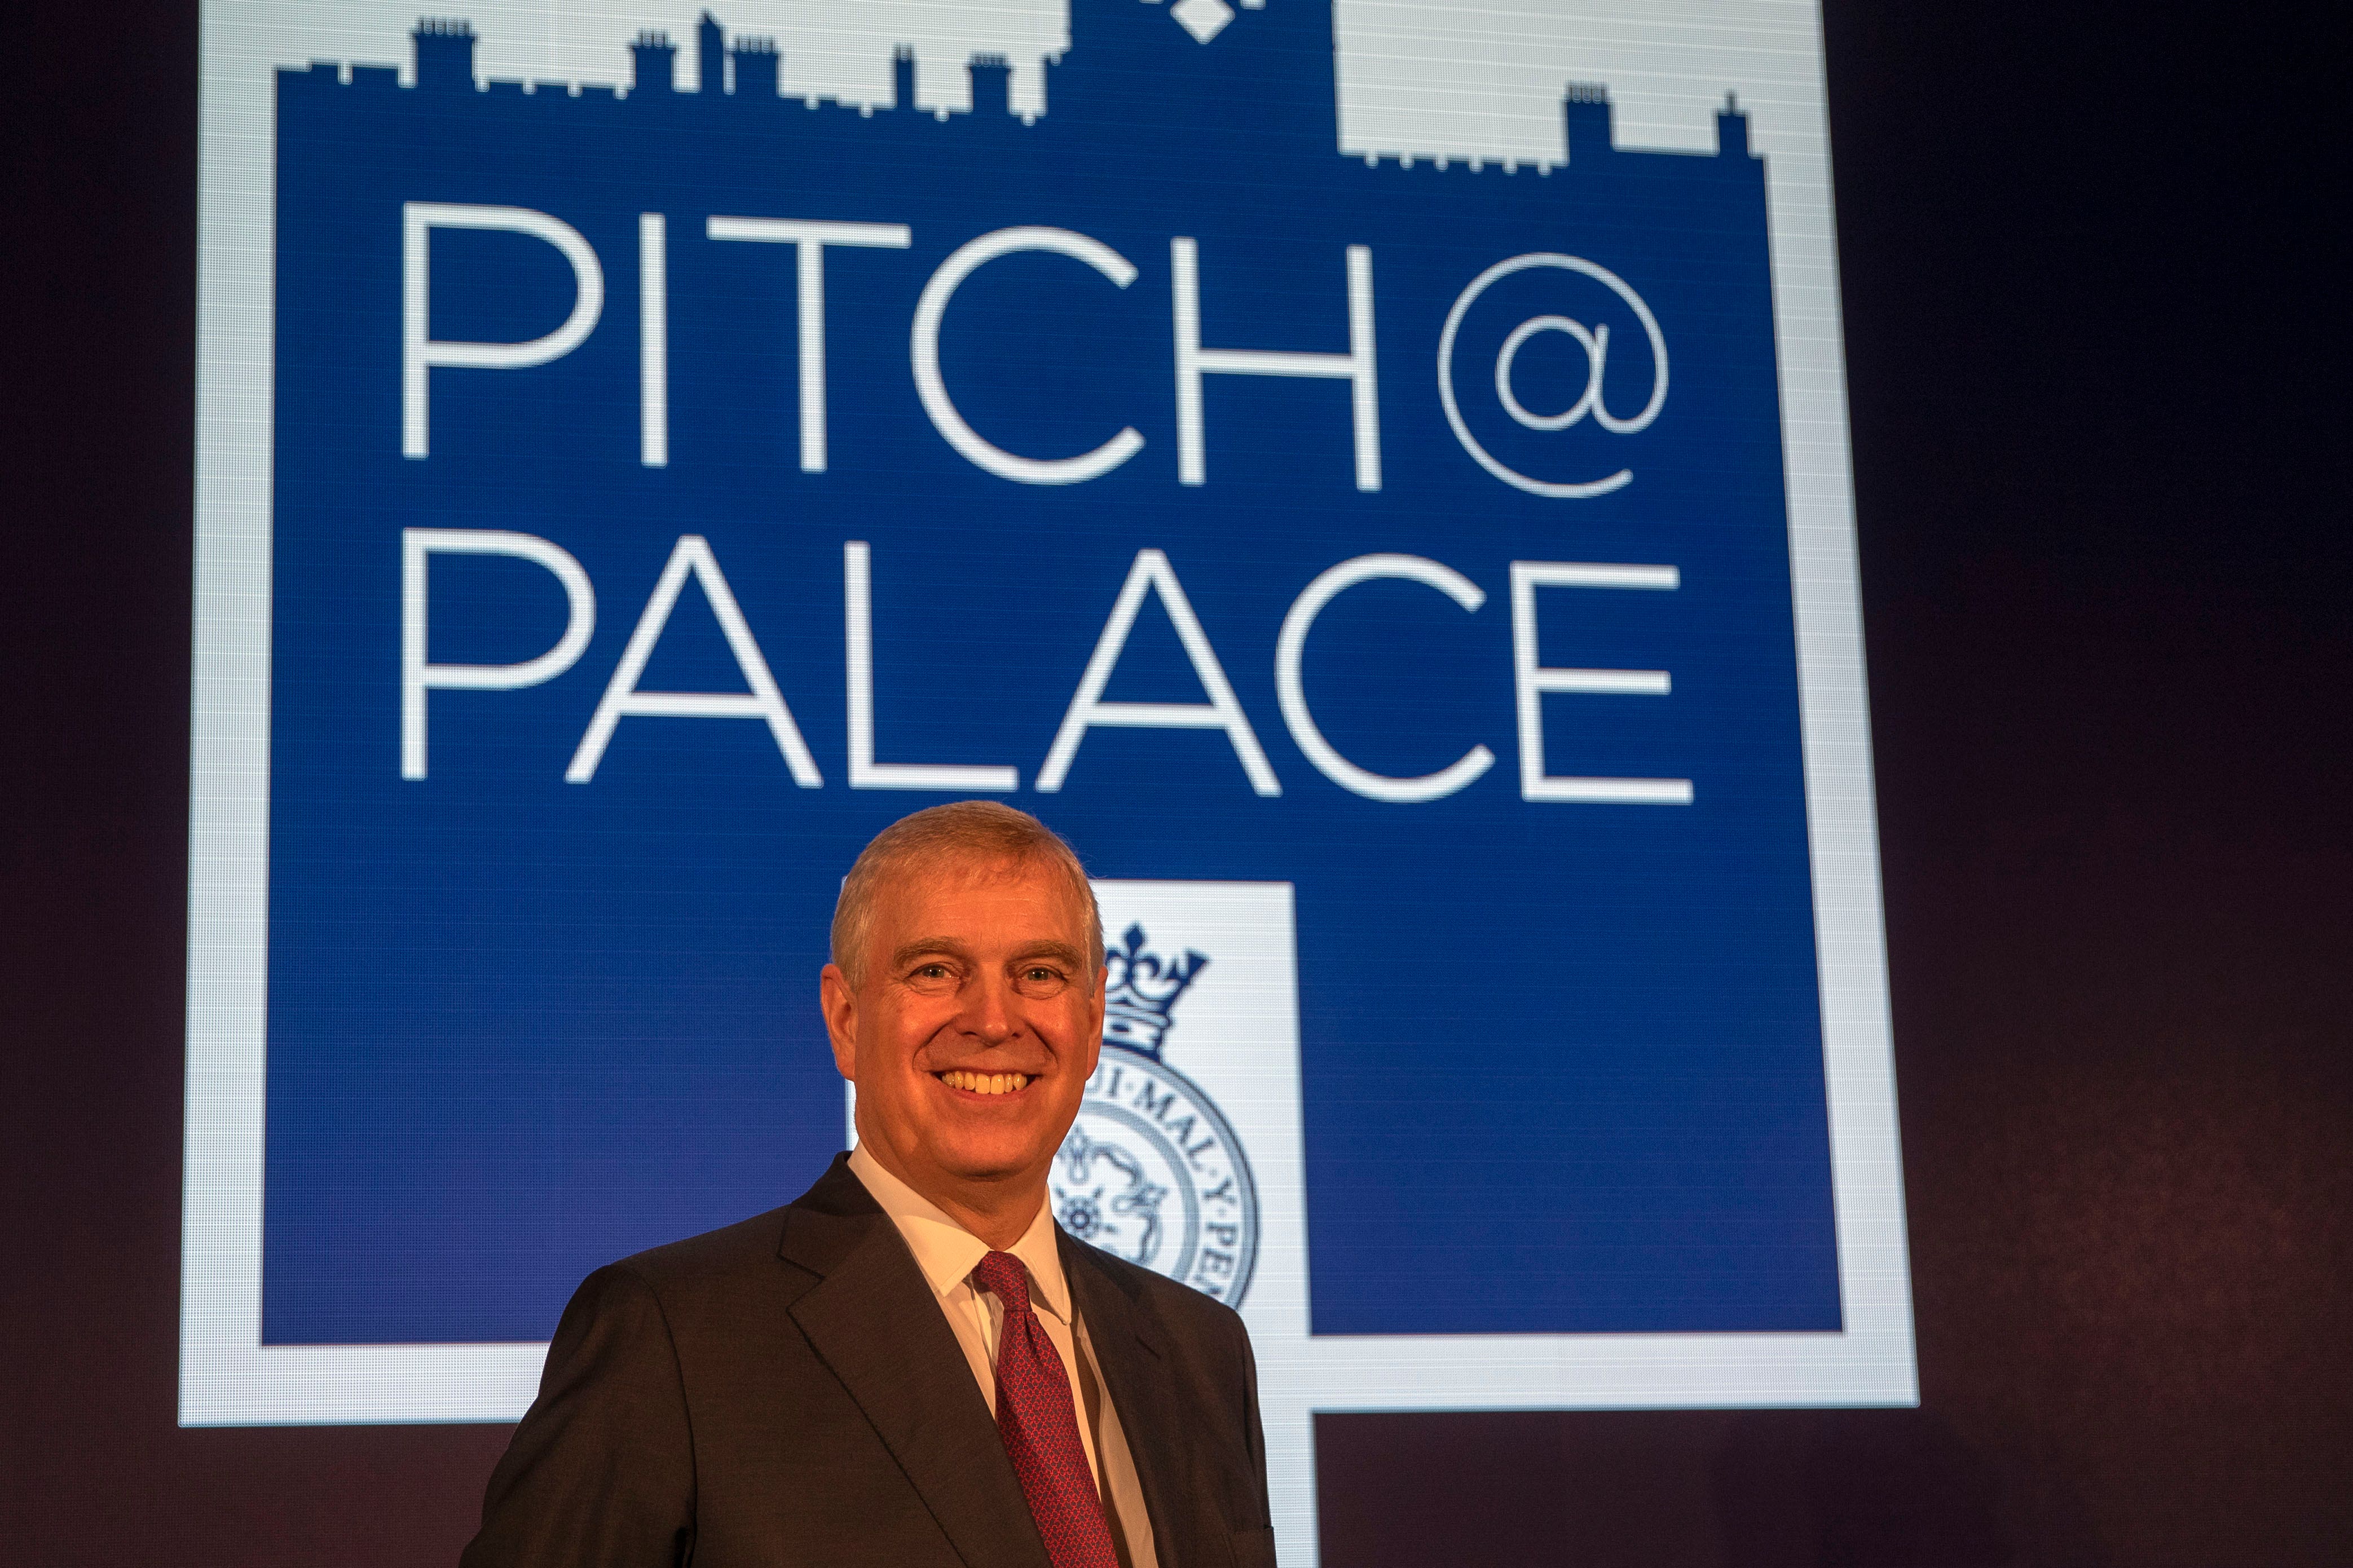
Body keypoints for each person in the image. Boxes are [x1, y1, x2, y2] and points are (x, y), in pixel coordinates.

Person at [461, 801, 1275, 1568]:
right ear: (846, 1018)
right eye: (934, 970)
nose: (994, 1019)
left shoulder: (1201, 1351)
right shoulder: (670, 1336)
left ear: (1093, 1022)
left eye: (1039, 973)